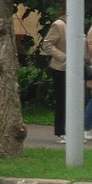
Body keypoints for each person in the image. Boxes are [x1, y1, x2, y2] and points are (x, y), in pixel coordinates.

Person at [41, 8, 68, 143]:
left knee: (77, 100)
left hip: (76, 68)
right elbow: (47, 44)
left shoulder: (77, 25)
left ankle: (74, 130)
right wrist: (63, 57)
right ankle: (61, 132)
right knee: (62, 100)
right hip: (61, 68)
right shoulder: (59, 25)